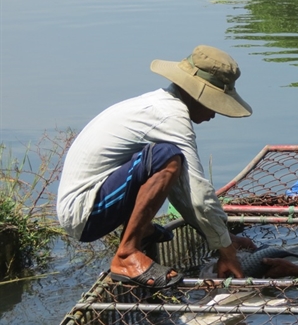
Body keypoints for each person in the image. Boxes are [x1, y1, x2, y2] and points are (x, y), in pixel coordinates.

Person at [57, 45, 259, 289]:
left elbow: (182, 189)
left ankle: (142, 232)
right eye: (214, 104)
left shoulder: (158, 105)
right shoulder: (171, 118)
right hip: (84, 212)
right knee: (166, 156)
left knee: (168, 159)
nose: (215, 114)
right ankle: (126, 255)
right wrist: (227, 252)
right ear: (196, 95)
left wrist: (224, 240)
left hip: (94, 199)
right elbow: (199, 196)